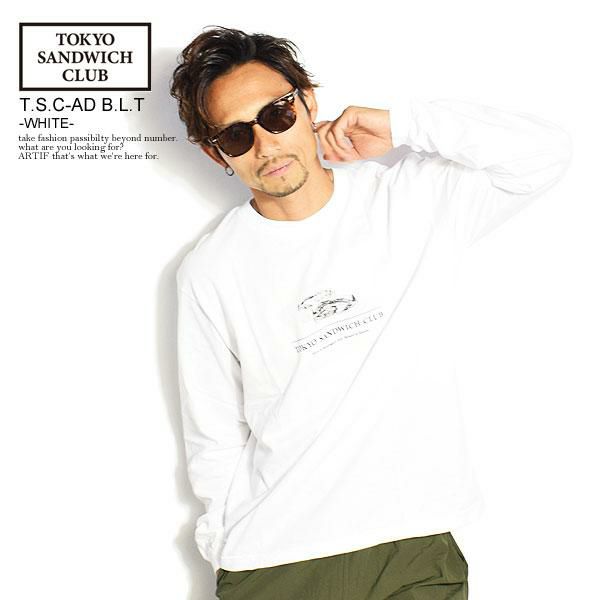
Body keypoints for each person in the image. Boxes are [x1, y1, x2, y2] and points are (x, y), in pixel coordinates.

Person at [170, 25, 572, 600]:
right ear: (216, 154)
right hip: (277, 558)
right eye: (236, 135)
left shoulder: (411, 202)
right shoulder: (211, 270)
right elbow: (212, 434)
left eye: (278, 115)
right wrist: (226, 548)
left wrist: (403, 124)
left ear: (308, 103)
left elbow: (544, 153)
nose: (266, 145)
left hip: (414, 544)